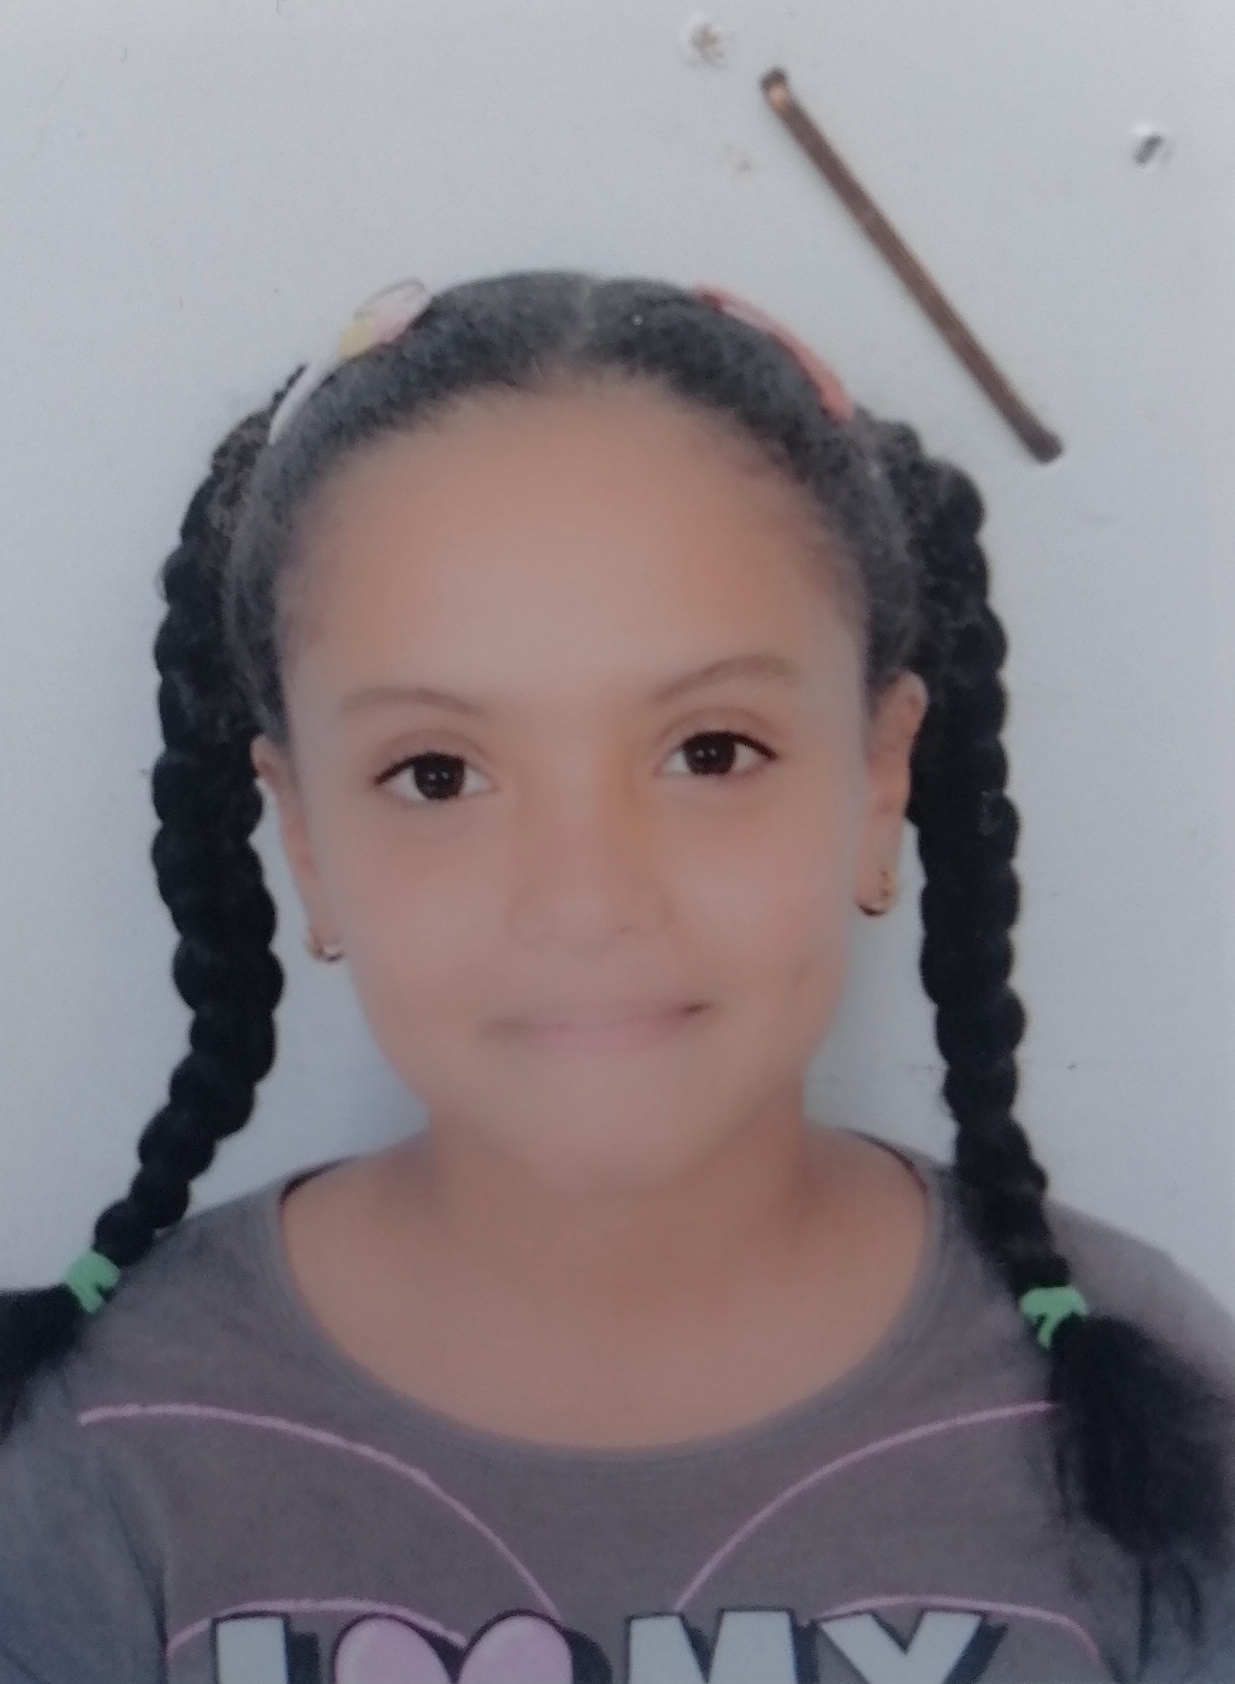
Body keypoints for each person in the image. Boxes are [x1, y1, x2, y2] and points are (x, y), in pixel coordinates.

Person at [0, 269, 1232, 1684]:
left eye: (711, 751)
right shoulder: (103, 1453)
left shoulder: (1139, 1397)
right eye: (437, 773)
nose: (585, 903)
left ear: (880, 779)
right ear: (308, 841)